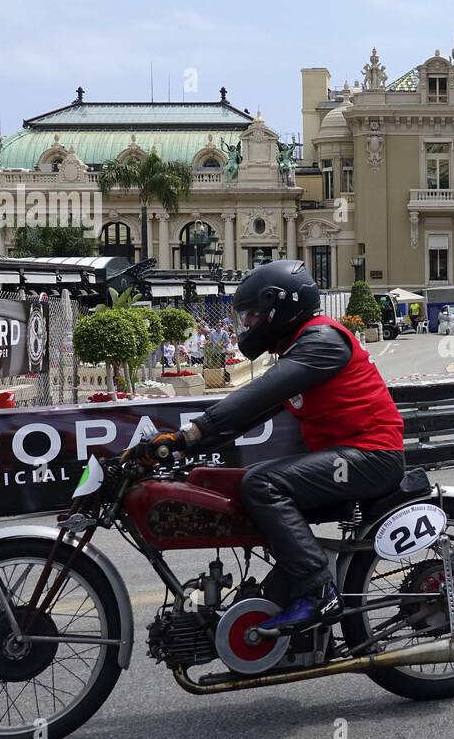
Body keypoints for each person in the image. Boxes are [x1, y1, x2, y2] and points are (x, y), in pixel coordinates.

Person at [130, 260, 405, 632]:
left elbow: (256, 394)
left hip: (371, 457)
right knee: (226, 483)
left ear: (278, 307)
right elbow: (247, 416)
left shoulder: (321, 341)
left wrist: (189, 433)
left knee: (262, 484)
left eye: (251, 315)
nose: (245, 325)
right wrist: (177, 450)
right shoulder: (301, 347)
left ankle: (319, 593)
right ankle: (287, 591)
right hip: (347, 456)